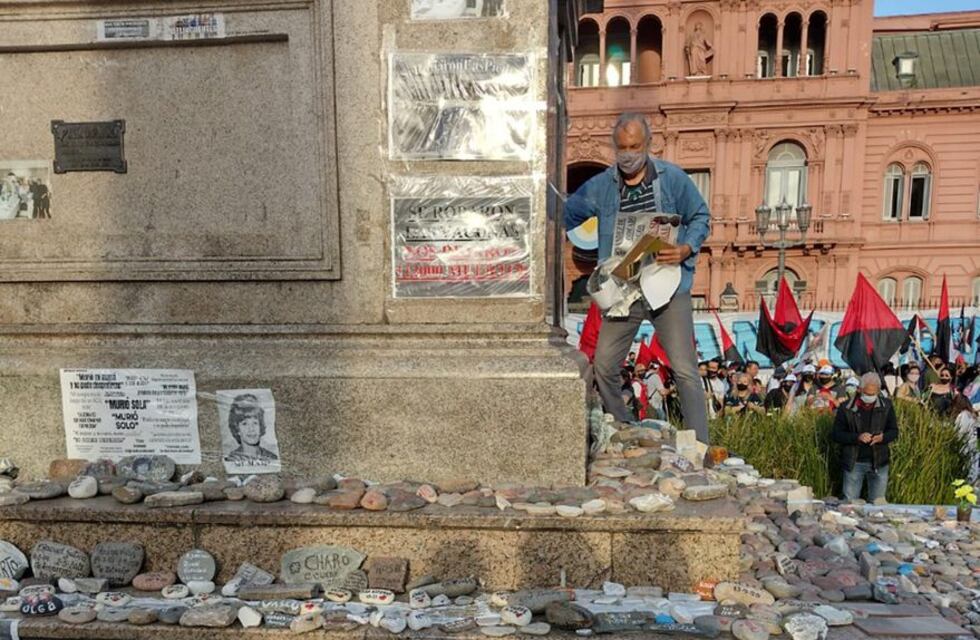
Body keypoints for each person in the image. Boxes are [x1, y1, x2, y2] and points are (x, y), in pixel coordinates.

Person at [565, 112, 711, 441]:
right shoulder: (602, 186)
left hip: (667, 286)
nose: (628, 154)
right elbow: (566, 212)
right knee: (604, 365)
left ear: (648, 144)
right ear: (614, 148)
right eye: (622, 148)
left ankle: (699, 445)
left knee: (685, 369)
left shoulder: (672, 179)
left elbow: (700, 215)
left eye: (635, 146)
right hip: (623, 290)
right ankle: (627, 429)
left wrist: (686, 248)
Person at [832, 372, 899, 503]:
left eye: (873, 394)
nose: (870, 397)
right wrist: (857, 437)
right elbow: (836, 434)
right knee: (850, 503)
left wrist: (883, 437)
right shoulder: (846, 407)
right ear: (859, 389)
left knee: (878, 503)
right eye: (867, 393)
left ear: (878, 391)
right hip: (854, 462)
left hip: (879, 461)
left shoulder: (886, 406)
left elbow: (894, 431)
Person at [224, 393, 279, 464]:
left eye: (255, 423)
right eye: (245, 424)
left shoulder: (271, 458)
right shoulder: (232, 459)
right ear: (237, 429)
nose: (251, 429)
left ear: (260, 426)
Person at [952, 394, 980, 484]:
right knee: (973, 471)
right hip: (974, 446)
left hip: (965, 447)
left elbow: (961, 433)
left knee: (967, 474)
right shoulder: (973, 415)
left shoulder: (962, 415)